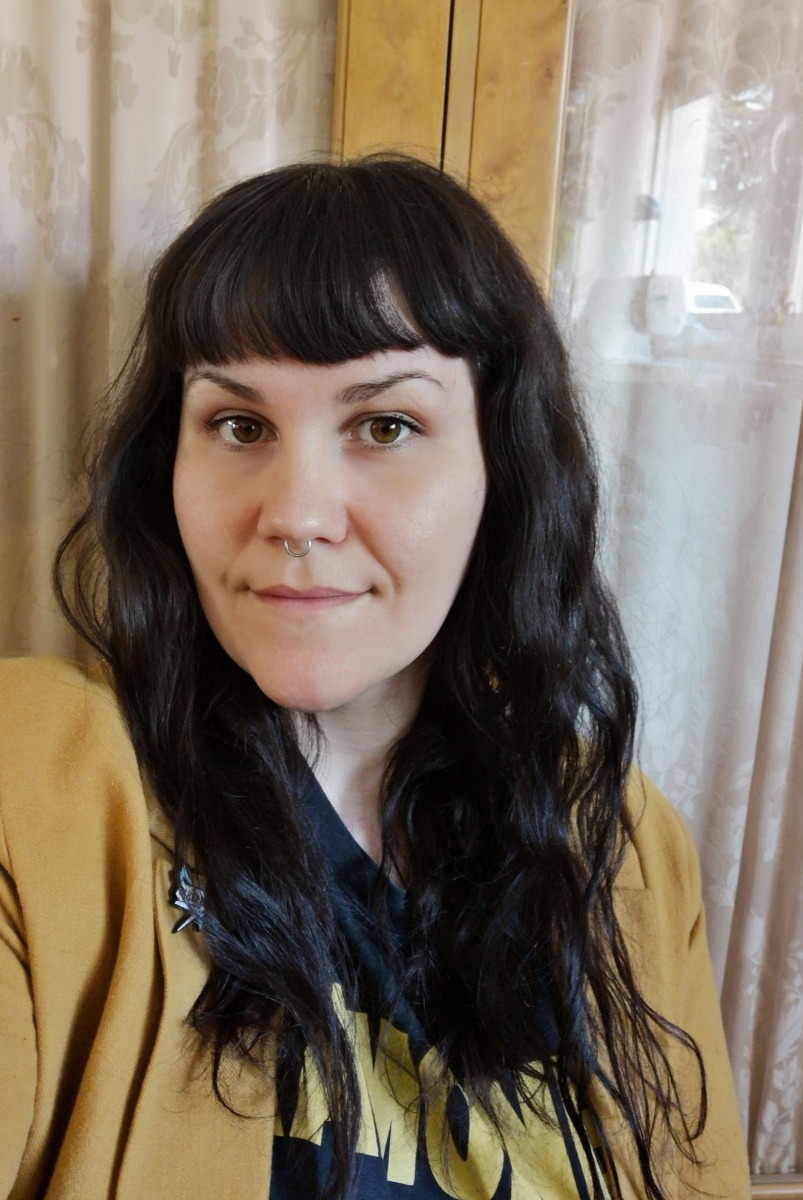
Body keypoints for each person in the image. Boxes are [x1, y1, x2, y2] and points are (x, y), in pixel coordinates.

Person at [0, 156, 750, 1200]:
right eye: (238, 425)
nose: (297, 514)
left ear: (500, 469)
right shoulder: (37, 778)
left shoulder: (616, 835)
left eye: (385, 426)